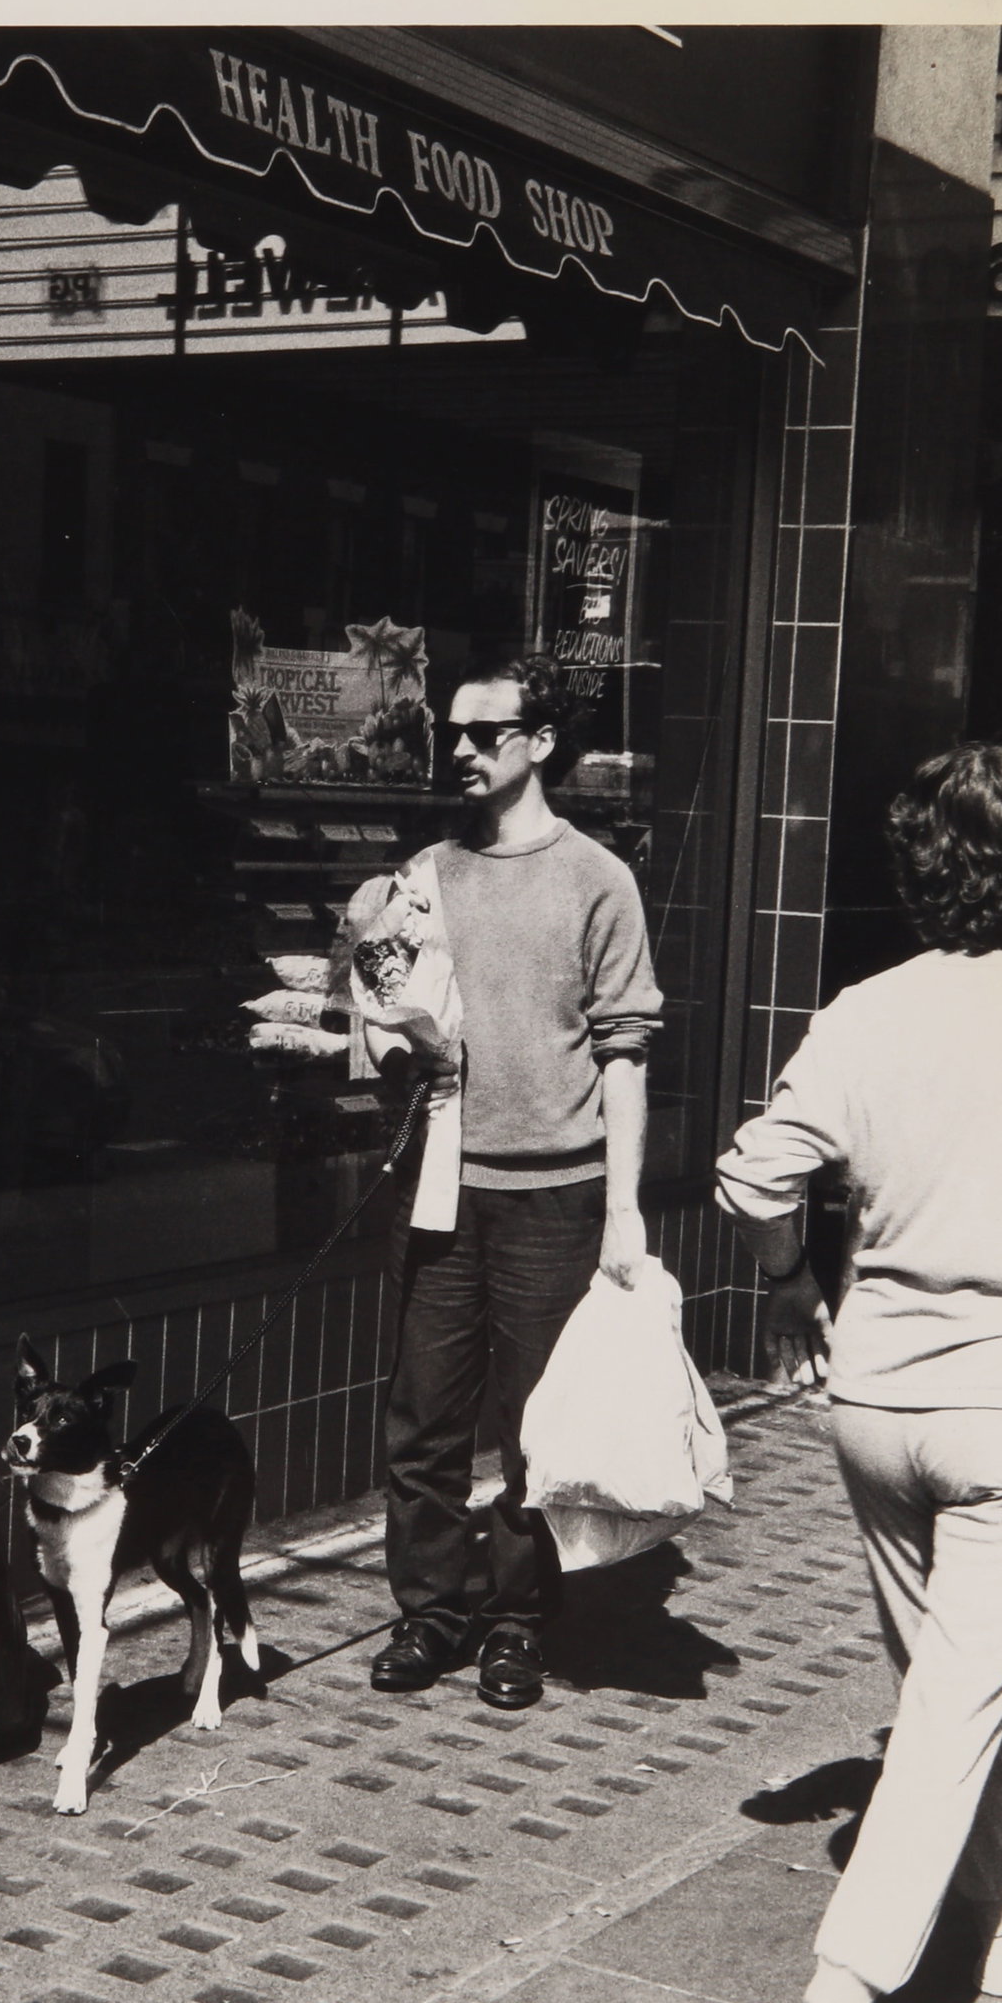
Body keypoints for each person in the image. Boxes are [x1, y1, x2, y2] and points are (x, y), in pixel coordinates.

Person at [715, 742, 1002, 2003]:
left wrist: (797, 1280)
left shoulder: (864, 1009)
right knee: (957, 1707)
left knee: (942, 1697)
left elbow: (751, 1181)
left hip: (880, 1403)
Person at [359, 654, 662, 1711]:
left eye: (485, 733)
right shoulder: (424, 876)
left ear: (540, 744)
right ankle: (429, 1616)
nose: (461, 750)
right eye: (453, 733)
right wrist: (393, 1027)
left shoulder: (596, 878)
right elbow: (383, 1027)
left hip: (553, 1196)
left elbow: (626, 1050)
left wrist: (622, 1211)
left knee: (534, 1426)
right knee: (424, 1419)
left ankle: (514, 1623)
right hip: (440, 1185)